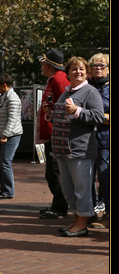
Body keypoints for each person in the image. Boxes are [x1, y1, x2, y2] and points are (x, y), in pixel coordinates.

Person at [50, 56, 105, 237]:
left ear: (87, 73)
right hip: (62, 149)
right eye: (74, 69)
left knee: (81, 189)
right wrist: (50, 114)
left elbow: (98, 116)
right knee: (68, 189)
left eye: (81, 69)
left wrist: (78, 111)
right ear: (67, 73)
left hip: (80, 149)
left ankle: (82, 224)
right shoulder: (66, 92)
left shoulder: (90, 92)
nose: (78, 72)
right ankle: (75, 220)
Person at [37, 49, 69, 219]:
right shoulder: (54, 80)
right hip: (52, 133)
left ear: (48, 65)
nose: (41, 66)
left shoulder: (59, 80)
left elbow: (67, 103)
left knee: (54, 171)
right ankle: (58, 204)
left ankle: (60, 206)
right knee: (52, 171)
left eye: (43, 63)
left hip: (56, 133)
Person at [0, 73, 23, 200]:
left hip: (11, 135)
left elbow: (12, 118)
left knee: (5, 162)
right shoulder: (3, 97)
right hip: (1, 134)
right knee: (0, 162)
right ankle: (4, 189)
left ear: (5, 85)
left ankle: (9, 191)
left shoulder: (13, 98)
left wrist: (5, 135)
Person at [88, 53, 109, 228]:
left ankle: (108, 214)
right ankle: (90, 213)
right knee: (86, 177)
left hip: (105, 140)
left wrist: (97, 116)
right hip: (85, 139)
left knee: (104, 176)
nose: (98, 68)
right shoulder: (86, 87)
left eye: (102, 65)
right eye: (94, 65)